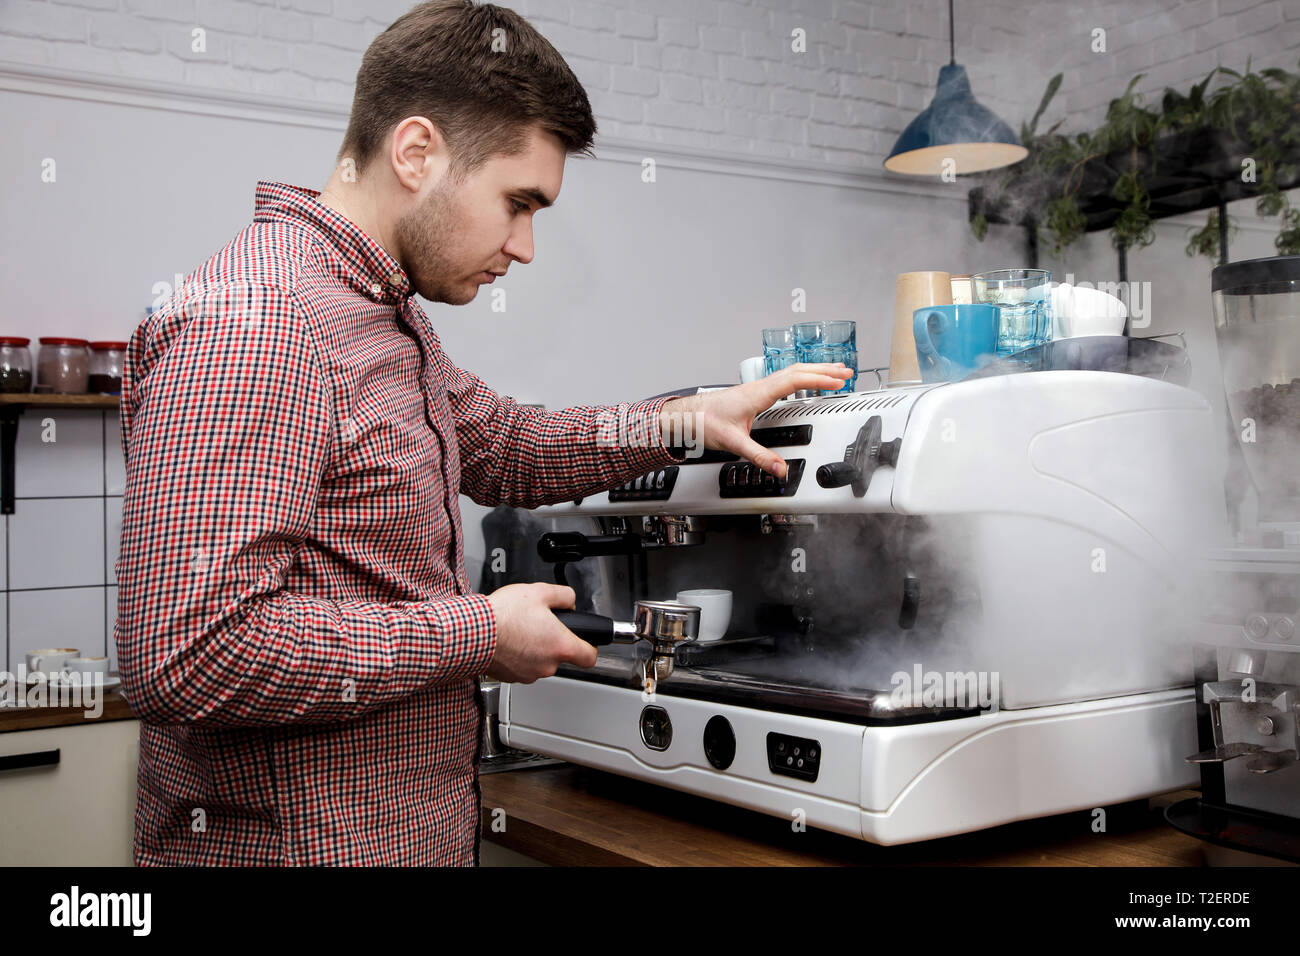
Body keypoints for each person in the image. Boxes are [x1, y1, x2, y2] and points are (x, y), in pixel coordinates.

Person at [115, 0, 851, 867]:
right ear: (418, 152)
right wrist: (478, 634)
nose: (527, 246)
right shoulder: (261, 322)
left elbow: (501, 443)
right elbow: (190, 651)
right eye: (518, 202)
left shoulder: (378, 311)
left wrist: (687, 419)